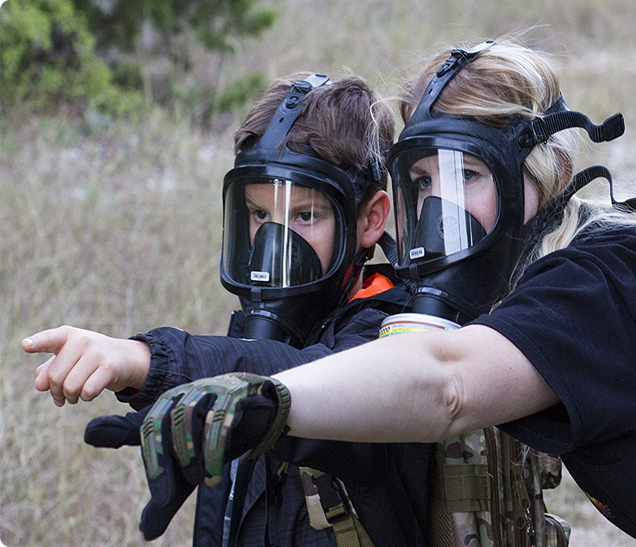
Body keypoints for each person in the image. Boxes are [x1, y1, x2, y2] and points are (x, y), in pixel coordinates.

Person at [91, 40, 636, 547]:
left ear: (547, 170)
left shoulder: (588, 287)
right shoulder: (614, 252)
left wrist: (265, 398)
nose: (440, 210)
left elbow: (444, 382)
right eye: (422, 182)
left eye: (468, 173)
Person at [24, 72, 433, 547]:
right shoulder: (251, 337)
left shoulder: (393, 334)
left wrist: (145, 360)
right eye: (260, 215)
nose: (275, 244)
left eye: (305, 216)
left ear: (370, 220)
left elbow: (312, 379)